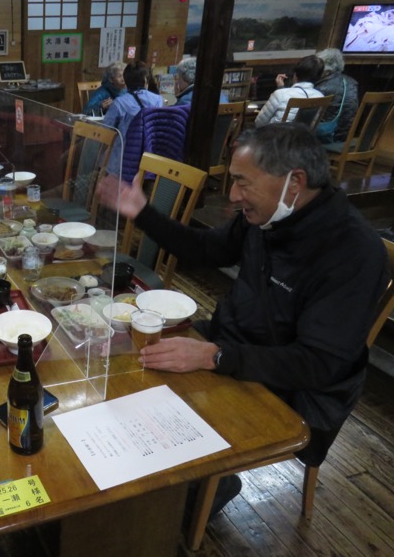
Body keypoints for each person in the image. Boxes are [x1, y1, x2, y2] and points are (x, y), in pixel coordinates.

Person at [98, 123, 389, 513]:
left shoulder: (352, 251)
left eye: (242, 183)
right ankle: (167, 490)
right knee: (125, 376)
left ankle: (192, 495)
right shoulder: (268, 218)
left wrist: (213, 357)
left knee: (158, 426)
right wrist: (143, 213)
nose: (233, 196)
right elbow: (205, 250)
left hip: (294, 392)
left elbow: (319, 364)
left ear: (294, 182)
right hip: (231, 349)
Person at [103, 61, 164, 173]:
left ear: (126, 81)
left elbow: (106, 130)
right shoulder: (158, 100)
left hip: (121, 163)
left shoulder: (119, 103)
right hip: (148, 160)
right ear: (146, 80)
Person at [254, 55, 325, 127]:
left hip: (276, 136)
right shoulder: (320, 97)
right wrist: (281, 88)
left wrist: (280, 90)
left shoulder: (280, 94)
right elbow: (313, 124)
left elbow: (259, 123)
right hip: (303, 137)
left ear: (295, 75)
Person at [315, 48, 359, 143]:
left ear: (327, 71)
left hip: (328, 138)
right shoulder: (352, 82)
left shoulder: (323, 88)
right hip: (346, 136)